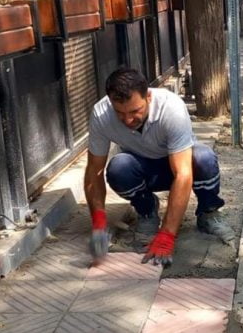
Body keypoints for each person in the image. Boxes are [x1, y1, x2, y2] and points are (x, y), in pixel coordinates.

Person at [85, 68, 234, 266]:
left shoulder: (171, 108)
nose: (128, 120)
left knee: (203, 158)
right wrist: (98, 220)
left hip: (180, 164)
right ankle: (147, 211)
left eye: (134, 111)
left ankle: (208, 212)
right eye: (120, 113)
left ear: (148, 96)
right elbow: (94, 171)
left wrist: (167, 235)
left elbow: (183, 174)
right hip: (143, 168)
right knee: (118, 168)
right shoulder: (101, 114)